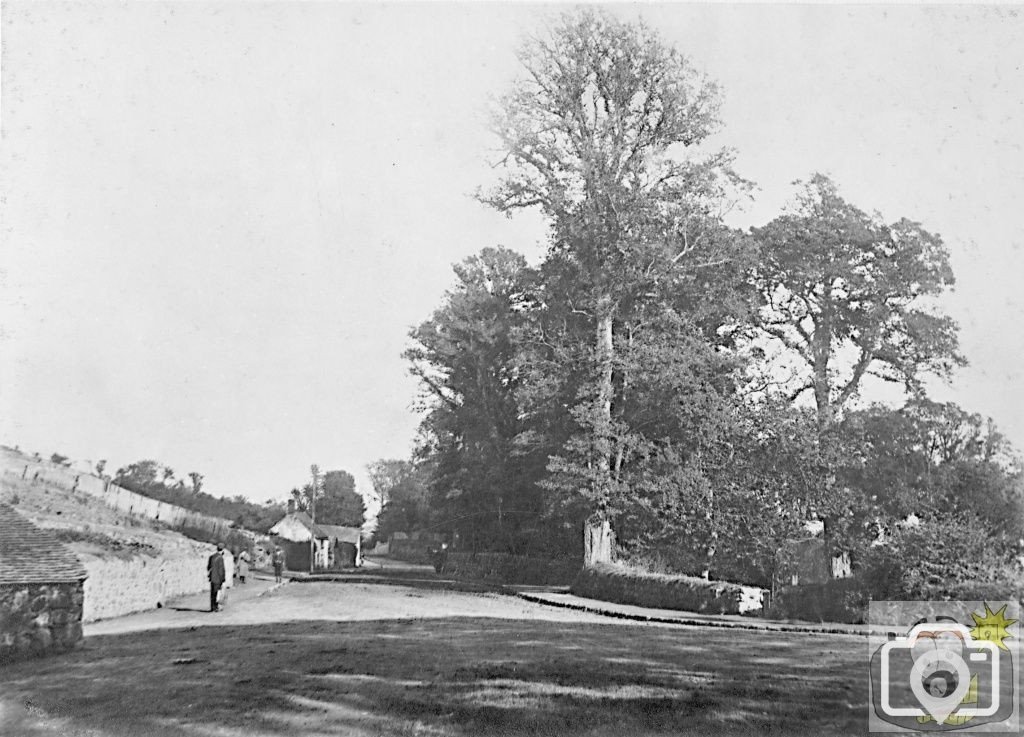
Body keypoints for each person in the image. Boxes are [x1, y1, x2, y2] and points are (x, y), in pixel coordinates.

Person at [207, 543, 226, 612]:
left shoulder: (211, 557)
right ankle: (216, 607)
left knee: (212, 593)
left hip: (212, 577)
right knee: (218, 593)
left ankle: (212, 607)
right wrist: (223, 579)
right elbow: (221, 570)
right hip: (218, 578)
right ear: (222, 550)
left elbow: (208, 567)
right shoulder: (220, 558)